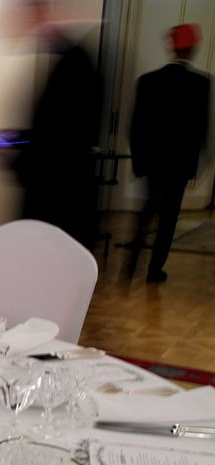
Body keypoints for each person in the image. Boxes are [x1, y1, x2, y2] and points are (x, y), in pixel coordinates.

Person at [8, 0, 103, 249]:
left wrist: (12, 155)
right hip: (57, 196)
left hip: (59, 199)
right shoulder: (68, 59)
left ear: (38, 15)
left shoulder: (73, 63)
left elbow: (58, 140)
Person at [129, 23, 211, 283]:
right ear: (193, 50)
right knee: (168, 220)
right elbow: (199, 130)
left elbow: (136, 126)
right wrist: (195, 168)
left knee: (145, 214)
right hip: (178, 166)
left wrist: (139, 163)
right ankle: (155, 269)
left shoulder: (148, 81)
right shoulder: (200, 84)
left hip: (152, 163)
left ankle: (130, 266)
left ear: (171, 47)